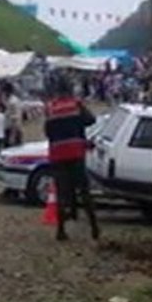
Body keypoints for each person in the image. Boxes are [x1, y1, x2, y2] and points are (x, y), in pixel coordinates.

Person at [44, 75, 100, 242]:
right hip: (76, 152)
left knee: (61, 192)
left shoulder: (51, 108)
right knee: (84, 191)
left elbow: (48, 132)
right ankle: (94, 227)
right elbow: (91, 120)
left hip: (58, 154)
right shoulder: (76, 105)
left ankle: (61, 231)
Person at [3, 82, 24, 148]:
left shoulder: (13, 102)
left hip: (13, 129)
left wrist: (12, 135)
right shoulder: (7, 100)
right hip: (8, 128)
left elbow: (16, 119)